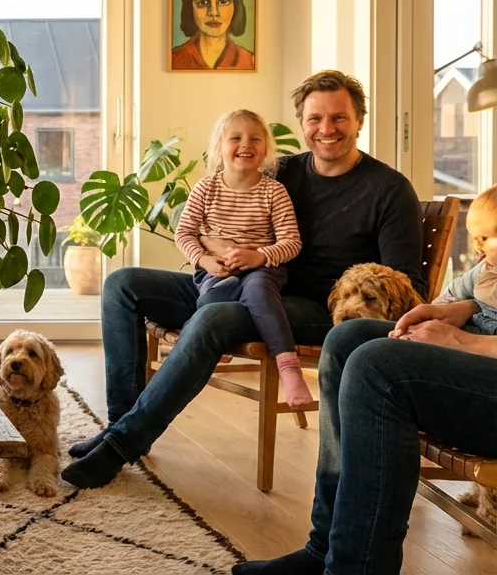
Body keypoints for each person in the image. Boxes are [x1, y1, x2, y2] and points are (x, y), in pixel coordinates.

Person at [62, 70, 425, 491]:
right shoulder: (279, 172)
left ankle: (120, 447)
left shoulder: (388, 189)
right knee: (122, 283)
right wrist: (212, 251)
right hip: (231, 279)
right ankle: (120, 423)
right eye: (315, 119)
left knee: (214, 319)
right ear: (301, 124)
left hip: (312, 306)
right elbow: (217, 212)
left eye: (339, 118)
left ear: (359, 120)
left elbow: (406, 285)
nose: (326, 129)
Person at [235, 185, 497, 574]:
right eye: (480, 239)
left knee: (377, 365)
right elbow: (443, 305)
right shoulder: (486, 269)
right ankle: (324, 546)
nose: (480, 248)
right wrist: (459, 309)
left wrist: (461, 339)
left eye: (490, 238)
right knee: (344, 339)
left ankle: (355, 567)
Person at [175, 109, 310, 409]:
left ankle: (288, 366)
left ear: (265, 149)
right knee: (213, 297)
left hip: (262, 270)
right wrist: (203, 260)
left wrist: (260, 256)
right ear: (219, 147)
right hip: (217, 270)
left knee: (258, 290)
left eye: (255, 138)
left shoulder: (274, 192)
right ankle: (207, 340)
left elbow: (292, 241)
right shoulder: (206, 188)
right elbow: (184, 233)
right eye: (235, 138)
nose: (245, 144)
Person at [170, 0, 256, 71]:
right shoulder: (174, 59)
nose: (213, 12)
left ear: (236, 7)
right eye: (202, 2)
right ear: (190, 8)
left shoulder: (250, 60)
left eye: (223, 1)